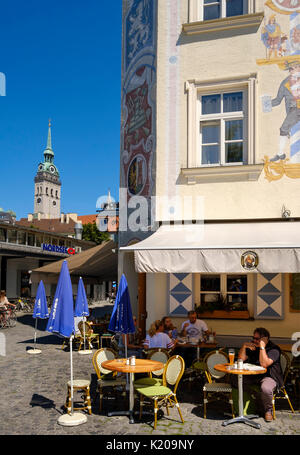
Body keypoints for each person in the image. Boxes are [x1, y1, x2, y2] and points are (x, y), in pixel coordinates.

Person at [233, 327, 284, 422]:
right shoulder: (253, 346)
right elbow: (241, 359)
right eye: (254, 338)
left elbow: (264, 364)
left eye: (257, 339)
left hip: (269, 376)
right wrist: (244, 346)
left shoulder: (274, 349)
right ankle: (255, 399)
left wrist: (262, 347)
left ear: (265, 339)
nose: (254, 340)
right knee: (236, 380)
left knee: (266, 388)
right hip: (254, 375)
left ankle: (268, 411)